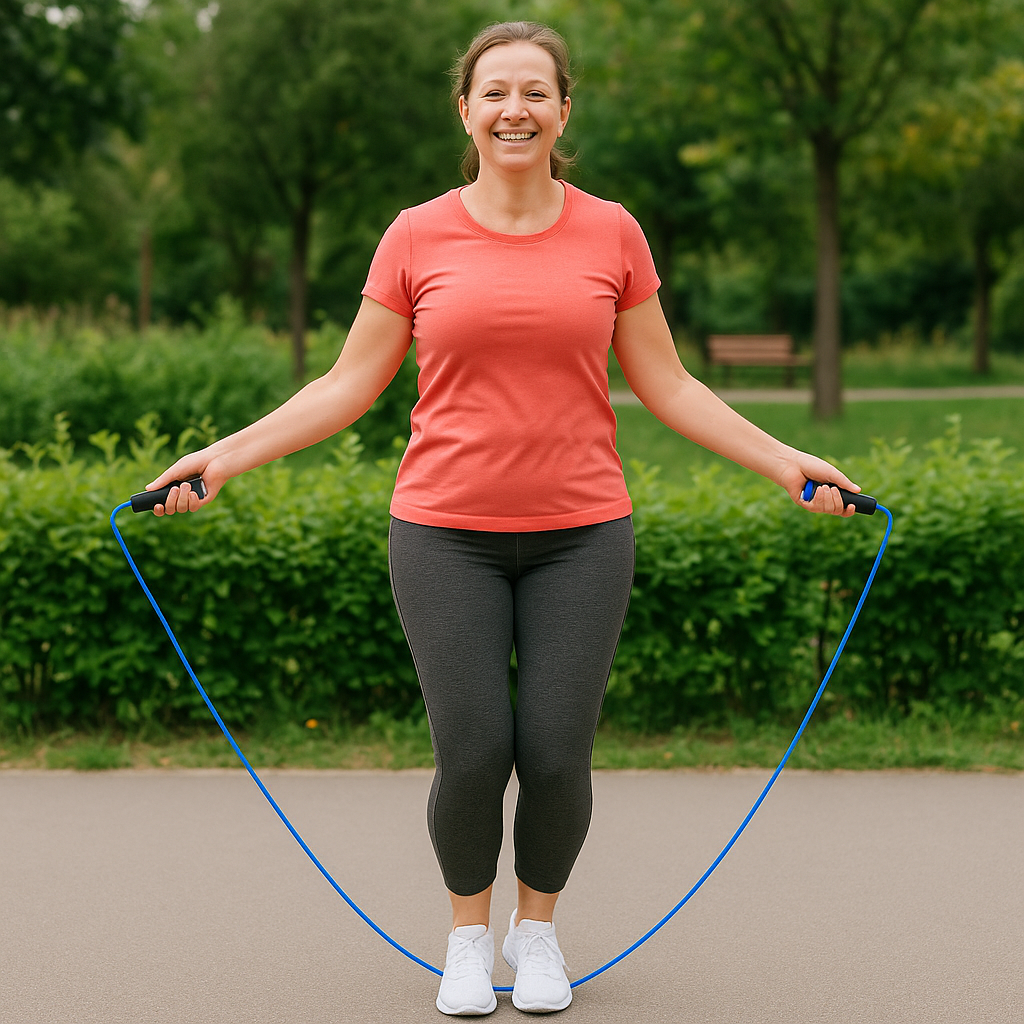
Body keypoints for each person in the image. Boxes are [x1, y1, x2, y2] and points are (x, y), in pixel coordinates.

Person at [147, 20, 860, 1017]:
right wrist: (221, 458)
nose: (514, 109)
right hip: (442, 533)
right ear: (466, 112)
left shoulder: (612, 231)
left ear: (564, 110)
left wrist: (787, 461)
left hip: (582, 533)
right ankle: (467, 941)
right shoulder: (415, 233)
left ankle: (538, 936)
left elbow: (668, 383)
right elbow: (349, 383)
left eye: (535, 92)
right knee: (475, 749)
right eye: (495, 93)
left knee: (558, 753)